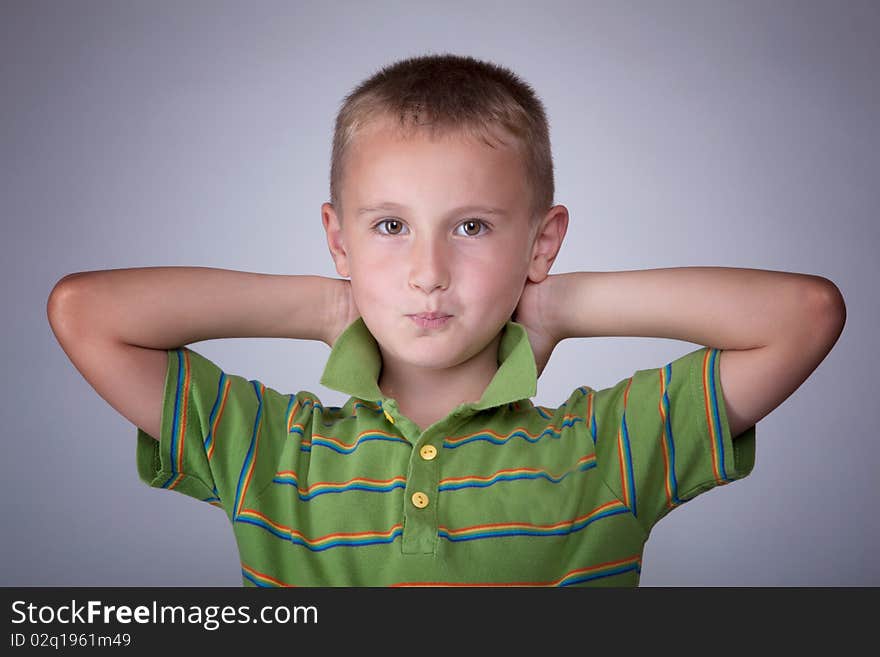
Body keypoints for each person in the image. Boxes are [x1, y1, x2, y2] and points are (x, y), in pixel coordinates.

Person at [46, 53, 846, 587]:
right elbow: (85, 312)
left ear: (543, 239)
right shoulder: (268, 446)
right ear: (338, 238)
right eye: (389, 227)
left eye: (472, 227)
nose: (428, 271)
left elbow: (804, 314)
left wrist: (555, 301)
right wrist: (332, 302)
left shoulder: (607, 447)